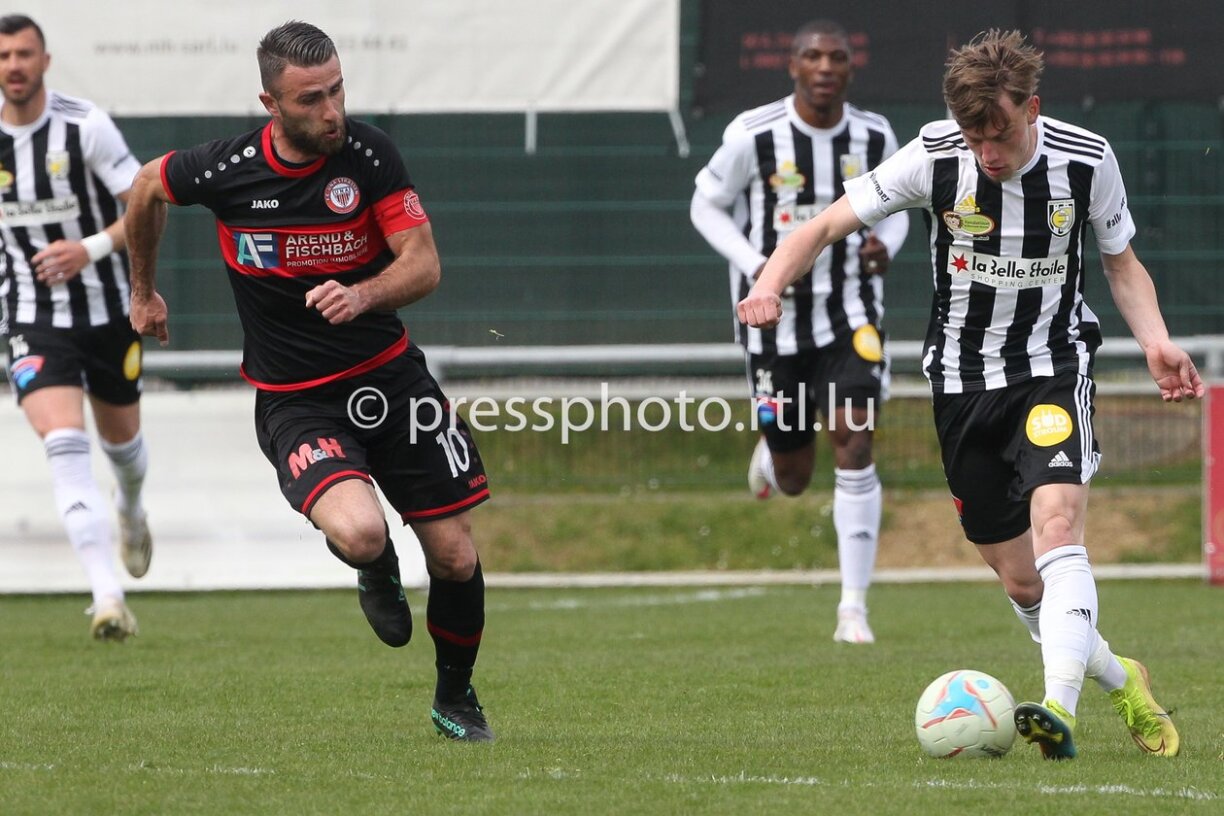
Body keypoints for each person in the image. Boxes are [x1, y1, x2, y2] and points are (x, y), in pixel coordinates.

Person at [739, 29, 1197, 759]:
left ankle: (1057, 709)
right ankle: (1122, 679)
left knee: (1057, 528)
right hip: (958, 384)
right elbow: (823, 224)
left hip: (1053, 366)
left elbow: (1122, 264)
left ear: (1033, 109)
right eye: (974, 136)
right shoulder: (933, 157)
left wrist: (1156, 342)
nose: (989, 151)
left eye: (1003, 133)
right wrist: (766, 286)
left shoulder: (1088, 161)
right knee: (1022, 585)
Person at [123, 21, 494, 742]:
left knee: (455, 554)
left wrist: (363, 294)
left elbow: (423, 263)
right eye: (312, 99)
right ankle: (376, 567)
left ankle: (456, 696)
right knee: (359, 533)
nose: (333, 112)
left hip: (391, 381)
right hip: (297, 400)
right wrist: (143, 291)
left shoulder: (369, 156)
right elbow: (145, 187)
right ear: (271, 103)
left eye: (338, 90)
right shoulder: (225, 169)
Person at [691, 19, 909, 644]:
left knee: (854, 441)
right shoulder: (752, 135)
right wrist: (754, 264)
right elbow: (704, 203)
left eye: (836, 57)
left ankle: (853, 609)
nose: (824, 67)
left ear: (849, 68)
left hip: (851, 315)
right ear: (792, 66)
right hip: (772, 322)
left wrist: (884, 247)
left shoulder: (874, 135)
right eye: (811, 56)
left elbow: (898, 210)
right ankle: (773, 452)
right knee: (795, 477)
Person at [0, 14, 152, 641]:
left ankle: (133, 511)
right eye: (4, 55)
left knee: (124, 453)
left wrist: (87, 249)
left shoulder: (82, 124)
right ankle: (107, 595)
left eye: (24, 54)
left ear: (46, 60)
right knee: (65, 447)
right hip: (32, 319)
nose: (14, 65)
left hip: (107, 310)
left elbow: (143, 202)